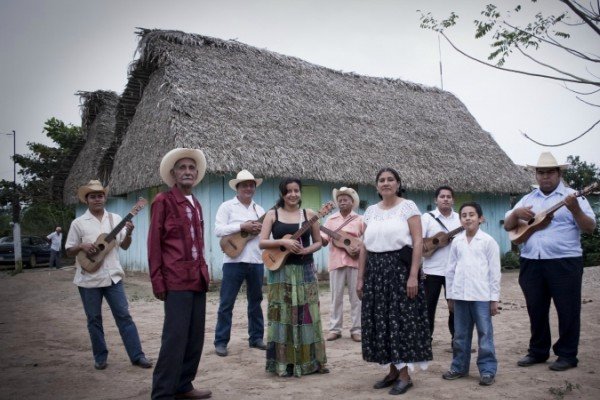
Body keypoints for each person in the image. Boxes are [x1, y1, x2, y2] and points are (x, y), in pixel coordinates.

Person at [504, 152, 596, 372]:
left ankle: (566, 355)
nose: (545, 176)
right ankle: (538, 351)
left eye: (549, 172)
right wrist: (516, 213)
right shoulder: (527, 199)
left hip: (564, 262)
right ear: (536, 175)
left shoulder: (575, 197)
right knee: (535, 308)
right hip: (531, 261)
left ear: (559, 174)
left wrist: (574, 210)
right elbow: (508, 226)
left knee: (568, 309)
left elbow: (590, 227)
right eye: (541, 172)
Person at [357, 167, 432, 396]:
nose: (386, 183)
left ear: (398, 183)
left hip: (400, 270)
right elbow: (364, 246)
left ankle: (405, 375)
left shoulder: (408, 207)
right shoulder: (370, 211)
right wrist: (361, 277)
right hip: (376, 272)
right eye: (382, 180)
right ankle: (391, 371)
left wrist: (413, 275)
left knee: (402, 321)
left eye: (391, 179)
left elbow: (418, 242)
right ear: (376, 186)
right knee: (382, 322)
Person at [65, 180, 152, 371]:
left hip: (113, 277)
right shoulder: (78, 223)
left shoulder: (115, 219)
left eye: (100, 195)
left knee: (124, 316)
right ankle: (100, 357)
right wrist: (82, 246)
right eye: (93, 196)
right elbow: (69, 250)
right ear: (86, 200)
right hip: (88, 279)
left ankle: (137, 356)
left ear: (105, 198)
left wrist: (129, 233)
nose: (97, 199)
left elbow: (126, 246)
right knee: (94, 319)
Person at [148, 148, 212, 400]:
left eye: (191, 168)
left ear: (196, 174)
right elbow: (154, 244)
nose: (187, 171)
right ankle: (162, 393)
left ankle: (184, 385)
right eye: (182, 168)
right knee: (174, 338)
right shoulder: (163, 201)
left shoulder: (196, 204)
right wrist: (157, 279)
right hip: (175, 279)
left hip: (197, 278)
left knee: (195, 337)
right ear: (173, 174)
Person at [259, 177, 328, 377]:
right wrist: (283, 242)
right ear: (282, 194)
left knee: (308, 314)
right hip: (279, 271)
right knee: (281, 316)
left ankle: (311, 362)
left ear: (300, 192)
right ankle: (283, 363)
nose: (293, 194)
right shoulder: (272, 215)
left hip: (305, 270)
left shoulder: (310, 215)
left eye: (296, 190)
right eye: (288, 191)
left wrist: (306, 249)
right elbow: (262, 243)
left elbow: (318, 242)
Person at [443, 202, 501, 386]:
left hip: (481, 297)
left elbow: (494, 272)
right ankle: (459, 367)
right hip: (460, 296)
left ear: (481, 218)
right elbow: (450, 270)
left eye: (472, 214)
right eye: (464, 215)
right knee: (460, 335)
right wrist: (450, 296)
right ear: (460, 220)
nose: (467, 218)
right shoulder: (457, 242)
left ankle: (487, 369)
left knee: (485, 334)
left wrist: (494, 299)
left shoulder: (488, 241)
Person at [213, 170, 266, 357]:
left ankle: (256, 338)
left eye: (251, 185)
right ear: (238, 187)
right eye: (244, 185)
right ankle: (220, 342)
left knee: (256, 302)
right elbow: (218, 230)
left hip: (256, 261)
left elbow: (267, 236)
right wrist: (242, 226)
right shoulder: (227, 207)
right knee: (227, 303)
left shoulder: (260, 211)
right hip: (233, 262)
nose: (248, 188)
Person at [321, 187, 364, 342]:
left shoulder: (360, 219)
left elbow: (367, 238)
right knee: (336, 297)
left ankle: (357, 329)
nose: (342, 202)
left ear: (352, 202)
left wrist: (358, 246)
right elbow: (324, 239)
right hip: (336, 262)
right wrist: (322, 238)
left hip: (355, 262)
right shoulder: (330, 220)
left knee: (356, 297)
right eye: (340, 200)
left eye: (346, 200)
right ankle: (335, 329)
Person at [421, 186, 460, 349]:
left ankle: (457, 340)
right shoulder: (427, 218)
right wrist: (435, 243)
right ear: (435, 200)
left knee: (455, 308)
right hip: (432, 270)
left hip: (455, 270)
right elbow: (420, 243)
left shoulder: (460, 218)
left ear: (453, 200)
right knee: (428, 307)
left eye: (449, 196)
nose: (445, 199)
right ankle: (425, 340)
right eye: (442, 196)